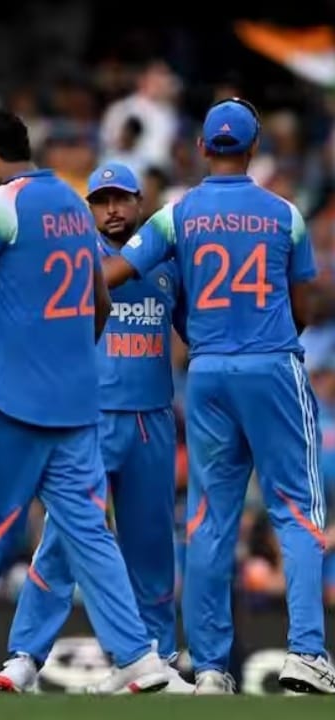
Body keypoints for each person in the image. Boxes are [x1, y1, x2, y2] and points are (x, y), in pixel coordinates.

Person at [0, 107, 168, 694]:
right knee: (89, 533)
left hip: (6, 401)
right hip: (76, 405)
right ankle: (138, 658)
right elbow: (101, 305)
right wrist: (68, 362)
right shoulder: (75, 209)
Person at [102, 98, 335, 694]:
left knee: (209, 519)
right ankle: (306, 652)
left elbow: (110, 275)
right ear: (253, 149)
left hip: (207, 373)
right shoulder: (285, 214)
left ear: (203, 148)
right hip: (272, 365)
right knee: (298, 511)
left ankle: (209, 668)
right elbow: (306, 307)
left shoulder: (175, 216)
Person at [0, 162, 191, 693]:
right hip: (90, 422)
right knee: (62, 541)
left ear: (140, 203)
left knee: (153, 547)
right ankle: (25, 657)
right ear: (89, 210)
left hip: (152, 421)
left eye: (121, 199)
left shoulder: (168, 264)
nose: (112, 210)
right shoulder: (76, 258)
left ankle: (157, 659)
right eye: (101, 202)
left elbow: (194, 330)